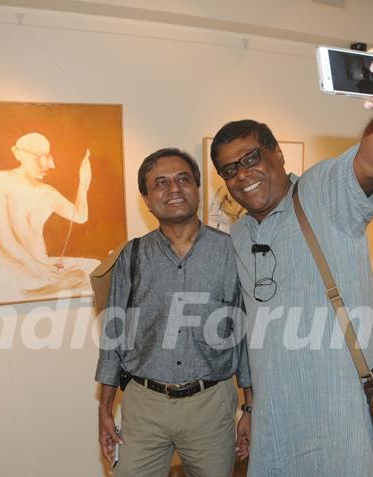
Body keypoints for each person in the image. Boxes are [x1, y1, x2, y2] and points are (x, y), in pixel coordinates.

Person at [208, 44, 373, 476]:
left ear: (277, 154)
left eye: (251, 158)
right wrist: (250, 405)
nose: (242, 175)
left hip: (344, 416)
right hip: (278, 422)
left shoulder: (323, 193)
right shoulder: (238, 234)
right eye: (229, 170)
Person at [95, 148, 253, 477]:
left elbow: (245, 338)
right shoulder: (132, 255)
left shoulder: (231, 251)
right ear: (147, 199)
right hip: (144, 404)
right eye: (160, 183)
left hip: (210, 404)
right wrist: (105, 408)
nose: (174, 189)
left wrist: (250, 407)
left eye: (183, 179)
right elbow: (114, 337)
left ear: (197, 187)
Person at [0, 132, 100, 302]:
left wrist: (83, 183)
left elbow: (80, 216)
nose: (46, 164)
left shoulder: (47, 193)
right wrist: (36, 267)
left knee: (95, 268)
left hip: (44, 268)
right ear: (18, 153)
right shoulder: (3, 180)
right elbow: (5, 239)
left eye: (47, 155)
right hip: (17, 273)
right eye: (38, 156)